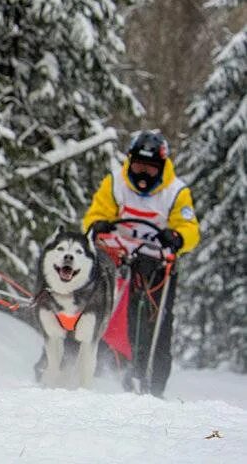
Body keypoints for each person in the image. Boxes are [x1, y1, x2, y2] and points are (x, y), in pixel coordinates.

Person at [82, 130, 200, 397]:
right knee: (95, 304)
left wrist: (178, 236)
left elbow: (190, 228)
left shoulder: (176, 191)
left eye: (150, 168)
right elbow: (96, 214)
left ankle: (152, 386)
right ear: (130, 162)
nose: (143, 174)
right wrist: (97, 224)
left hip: (157, 267)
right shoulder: (116, 183)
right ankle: (96, 365)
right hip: (118, 257)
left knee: (155, 324)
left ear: (161, 167)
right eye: (138, 167)